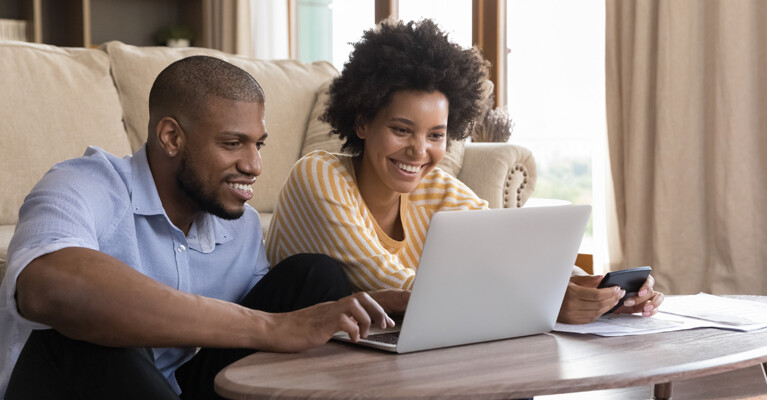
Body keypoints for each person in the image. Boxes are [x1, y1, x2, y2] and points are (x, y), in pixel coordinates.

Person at [0, 55, 409, 400]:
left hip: (175, 388)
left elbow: (278, 320)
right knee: (87, 335)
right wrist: (274, 326)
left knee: (314, 276)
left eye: (258, 144)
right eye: (233, 144)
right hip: (66, 386)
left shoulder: (241, 225)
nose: (254, 166)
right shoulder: (83, 184)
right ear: (171, 137)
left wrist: (358, 308)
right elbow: (49, 287)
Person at [265, 18, 663, 325]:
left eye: (435, 134)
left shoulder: (435, 186)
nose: (419, 151)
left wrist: (599, 289)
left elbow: (514, 249)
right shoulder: (318, 177)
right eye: (401, 129)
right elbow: (392, 283)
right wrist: (547, 302)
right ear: (363, 122)